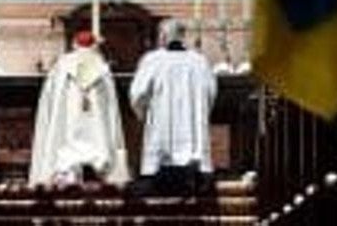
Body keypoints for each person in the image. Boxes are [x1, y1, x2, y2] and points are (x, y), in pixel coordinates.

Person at [29, 30, 129, 188]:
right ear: (93, 45)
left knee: (67, 137)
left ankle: (67, 173)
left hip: (69, 117)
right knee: (99, 134)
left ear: (74, 44)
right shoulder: (101, 66)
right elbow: (110, 103)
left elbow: (50, 96)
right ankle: (99, 170)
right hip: (96, 119)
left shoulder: (63, 65)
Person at [129, 19, 217, 197]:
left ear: (162, 36)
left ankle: (154, 178)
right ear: (183, 36)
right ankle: (198, 176)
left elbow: (138, 94)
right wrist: (201, 113)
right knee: (192, 148)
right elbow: (211, 92)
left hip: (161, 120)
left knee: (158, 145)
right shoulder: (199, 61)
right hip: (192, 123)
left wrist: (143, 113)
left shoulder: (152, 60)